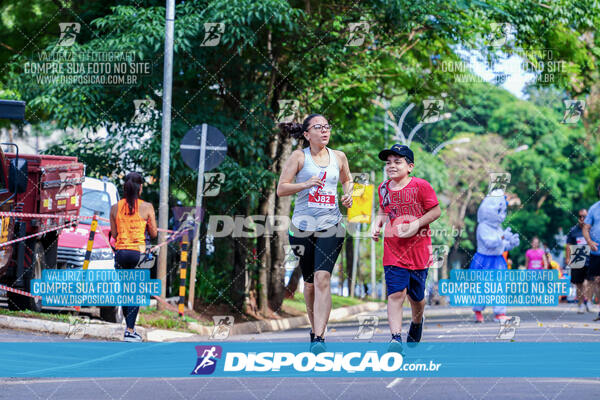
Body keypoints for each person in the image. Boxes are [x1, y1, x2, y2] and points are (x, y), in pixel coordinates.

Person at [277, 114, 353, 352]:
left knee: (322, 279)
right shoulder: (299, 157)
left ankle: (319, 337)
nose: (324, 131)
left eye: (327, 127)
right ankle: (314, 328)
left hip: (331, 226)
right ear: (307, 134)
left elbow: (347, 179)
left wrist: (348, 193)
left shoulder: (339, 157)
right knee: (309, 284)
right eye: (318, 128)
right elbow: (281, 189)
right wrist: (306, 184)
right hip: (301, 228)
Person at [372, 144, 441, 351]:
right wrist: (377, 225)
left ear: (410, 166)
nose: (391, 166)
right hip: (393, 250)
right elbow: (383, 210)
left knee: (417, 298)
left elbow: (436, 211)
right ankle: (395, 338)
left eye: (397, 162)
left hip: (419, 251)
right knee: (395, 294)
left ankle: (417, 321)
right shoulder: (383, 188)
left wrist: (415, 224)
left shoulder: (421, 186)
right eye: (388, 162)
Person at [110, 172, 157, 342]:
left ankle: (128, 329)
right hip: (138, 254)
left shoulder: (115, 208)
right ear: (140, 188)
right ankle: (130, 330)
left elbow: (114, 234)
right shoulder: (147, 207)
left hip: (121, 253)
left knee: (125, 291)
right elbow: (153, 233)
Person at [469, 189, 519, 323]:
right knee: (483, 288)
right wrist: (503, 237)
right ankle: (478, 311)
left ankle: (500, 313)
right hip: (484, 260)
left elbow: (501, 246)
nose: (501, 215)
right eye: (499, 211)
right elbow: (489, 243)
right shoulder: (483, 226)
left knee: (500, 286)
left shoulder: (498, 227)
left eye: (502, 211)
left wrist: (511, 243)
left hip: (498, 260)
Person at [566, 209, 591, 313]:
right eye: (580, 216)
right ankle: (581, 304)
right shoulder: (573, 231)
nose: (582, 219)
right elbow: (568, 246)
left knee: (588, 282)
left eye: (584, 216)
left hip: (590, 259)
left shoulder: (592, 229)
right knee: (578, 284)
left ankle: (588, 302)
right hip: (577, 259)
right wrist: (568, 258)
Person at [583, 183, 600, 321]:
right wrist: (589, 242)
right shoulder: (594, 208)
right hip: (597, 251)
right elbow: (585, 228)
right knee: (597, 281)